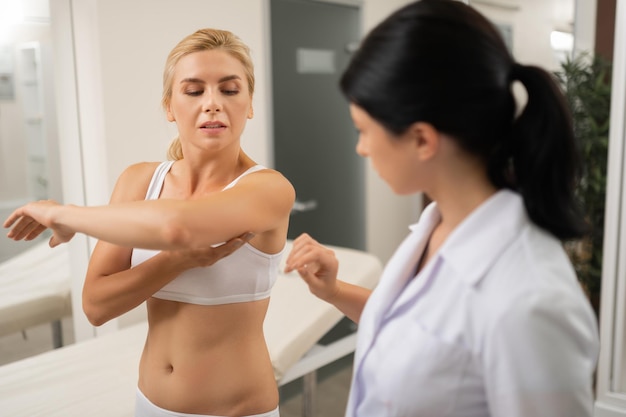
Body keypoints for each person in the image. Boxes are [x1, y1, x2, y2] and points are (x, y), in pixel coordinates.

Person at [283, 1, 599, 416]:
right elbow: (419, 332)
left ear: (421, 140)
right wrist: (334, 291)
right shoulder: (439, 226)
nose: (360, 148)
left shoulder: (530, 301)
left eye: (363, 130)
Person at [5, 28, 294, 417]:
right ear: (169, 106)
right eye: (194, 91)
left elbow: (177, 228)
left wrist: (64, 215)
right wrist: (175, 262)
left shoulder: (268, 189)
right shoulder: (139, 181)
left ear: (250, 103)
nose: (212, 104)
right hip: (150, 403)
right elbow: (96, 306)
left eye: (229, 90)